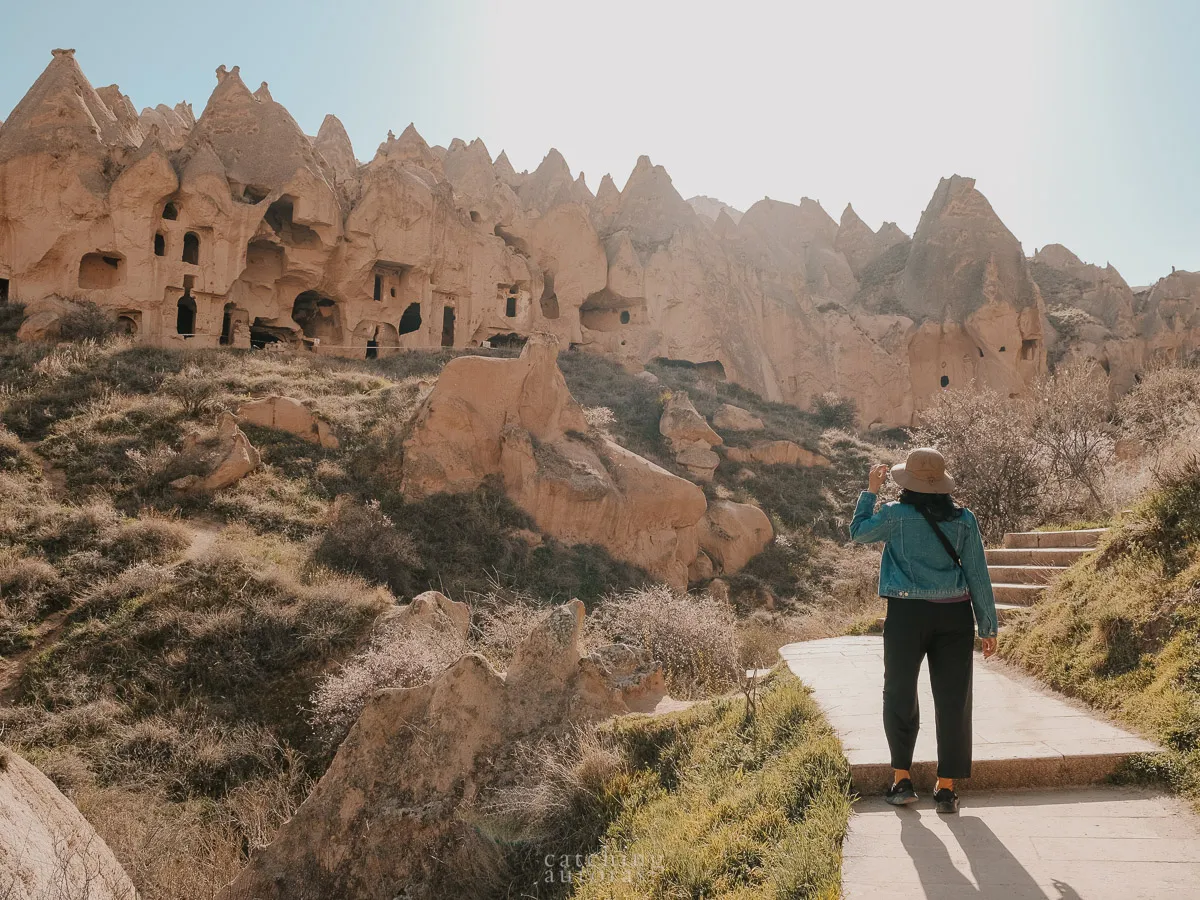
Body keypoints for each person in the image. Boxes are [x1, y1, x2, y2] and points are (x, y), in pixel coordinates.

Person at [849, 447, 998, 814]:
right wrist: (988, 625)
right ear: (942, 484)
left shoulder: (895, 515)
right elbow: (977, 572)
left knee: (899, 692)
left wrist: (870, 490)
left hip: (906, 615)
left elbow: (858, 533)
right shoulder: (964, 519)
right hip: (955, 618)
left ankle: (902, 780)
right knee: (954, 699)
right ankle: (946, 788)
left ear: (907, 481)